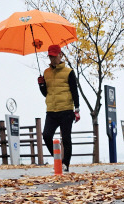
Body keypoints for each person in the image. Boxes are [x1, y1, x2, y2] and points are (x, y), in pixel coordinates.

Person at [37, 44, 80, 172]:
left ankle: (65, 164)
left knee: (66, 138)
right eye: (50, 56)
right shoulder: (46, 72)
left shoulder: (69, 72)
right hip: (51, 111)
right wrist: (41, 85)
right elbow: (46, 93)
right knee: (46, 135)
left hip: (66, 110)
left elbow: (74, 91)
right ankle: (58, 161)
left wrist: (77, 109)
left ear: (60, 55)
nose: (52, 59)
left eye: (54, 56)